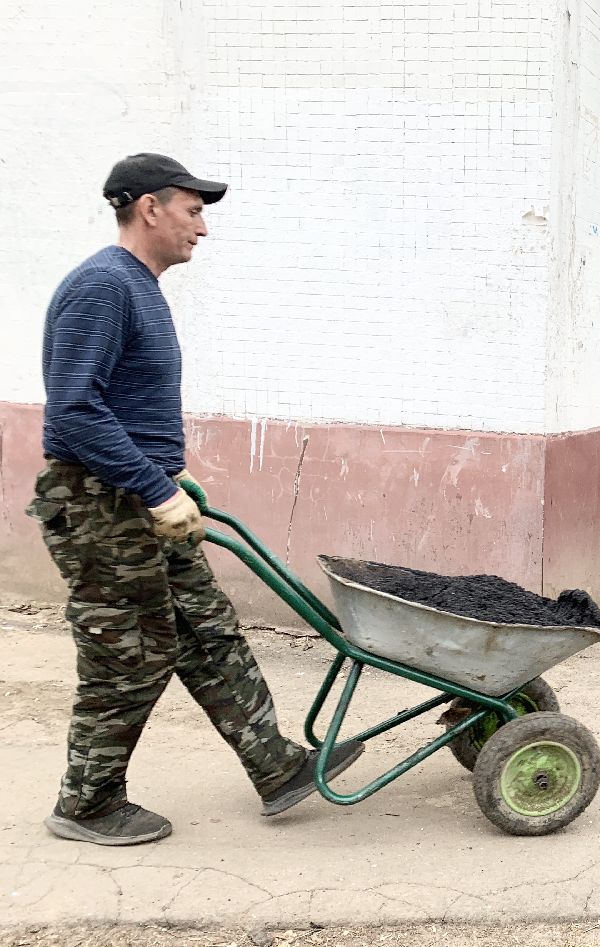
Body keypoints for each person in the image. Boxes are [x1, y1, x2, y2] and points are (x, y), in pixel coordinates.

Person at [29, 153, 363, 846]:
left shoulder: (138, 287)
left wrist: (166, 475)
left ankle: (276, 767)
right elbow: (73, 411)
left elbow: (117, 405)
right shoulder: (103, 287)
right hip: (101, 505)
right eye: (192, 209)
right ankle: (87, 803)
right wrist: (151, 483)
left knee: (208, 634)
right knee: (130, 652)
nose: (202, 227)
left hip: (140, 496)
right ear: (149, 208)